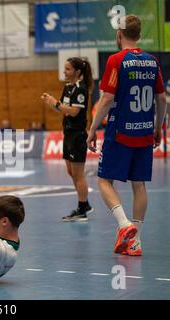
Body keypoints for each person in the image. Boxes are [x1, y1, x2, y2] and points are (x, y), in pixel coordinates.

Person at [87, 15, 167, 256]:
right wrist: (157, 128)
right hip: (144, 130)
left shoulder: (116, 60)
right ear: (139, 35)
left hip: (120, 131)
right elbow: (161, 98)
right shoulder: (152, 61)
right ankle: (135, 242)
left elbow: (107, 98)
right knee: (139, 184)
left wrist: (92, 129)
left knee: (104, 180)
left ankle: (124, 226)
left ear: (119, 34)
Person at [41, 57, 94, 222]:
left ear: (77, 72)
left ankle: (83, 207)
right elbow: (64, 110)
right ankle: (83, 205)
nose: (64, 72)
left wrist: (54, 103)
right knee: (71, 172)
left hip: (77, 135)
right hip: (68, 134)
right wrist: (52, 103)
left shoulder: (81, 89)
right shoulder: (68, 88)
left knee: (78, 175)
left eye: (68, 69)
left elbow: (75, 112)